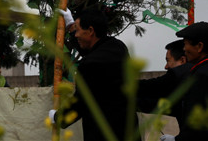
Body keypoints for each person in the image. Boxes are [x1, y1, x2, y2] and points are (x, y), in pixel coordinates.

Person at [52, 7, 141, 141]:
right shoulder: (118, 47)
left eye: (78, 29)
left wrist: (57, 118)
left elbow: (80, 103)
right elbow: (92, 52)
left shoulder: (89, 65)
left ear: (91, 31)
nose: (76, 35)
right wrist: (71, 26)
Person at [137, 40, 188, 122]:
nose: (166, 66)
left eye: (168, 60)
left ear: (182, 60)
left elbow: (152, 86)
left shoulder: (176, 76)